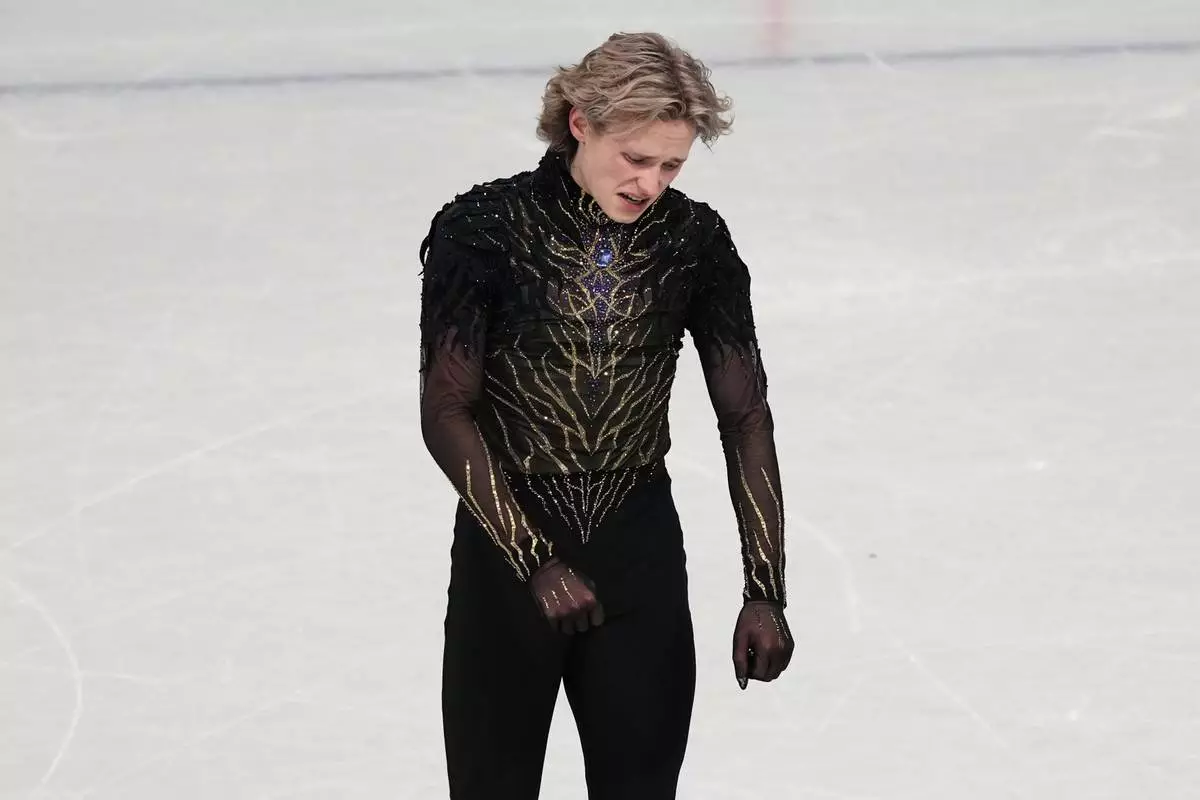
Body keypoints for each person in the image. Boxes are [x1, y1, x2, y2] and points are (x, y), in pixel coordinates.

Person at [418, 31, 795, 800]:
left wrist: (765, 588)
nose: (650, 183)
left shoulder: (694, 243)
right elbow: (445, 409)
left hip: (638, 557)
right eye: (635, 157)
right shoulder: (481, 230)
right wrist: (534, 559)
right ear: (581, 122)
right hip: (506, 563)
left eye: (671, 165)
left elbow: (746, 417)